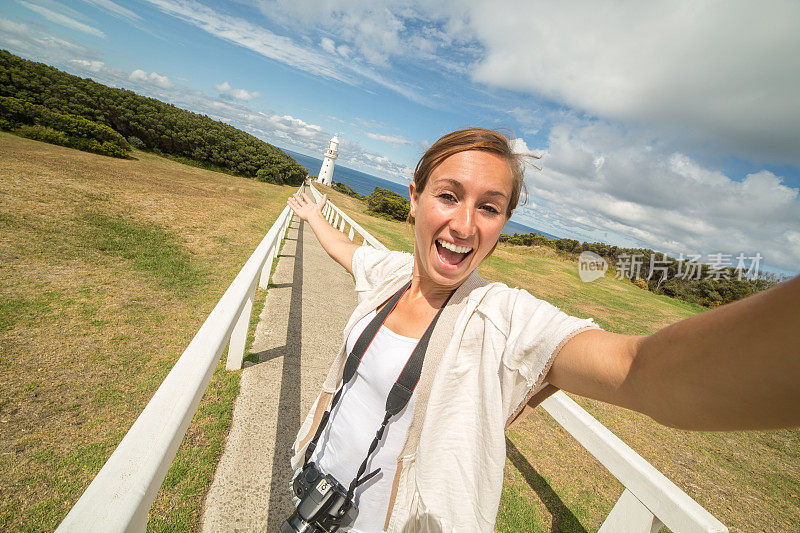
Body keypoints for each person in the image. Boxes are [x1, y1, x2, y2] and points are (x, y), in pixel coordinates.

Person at [286, 127, 800, 532]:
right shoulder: (391, 274)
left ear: (503, 223)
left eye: (489, 207)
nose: (466, 226)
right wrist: (313, 215)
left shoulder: (504, 318)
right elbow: (348, 252)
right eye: (448, 195)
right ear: (414, 198)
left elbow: (638, 371)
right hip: (312, 490)